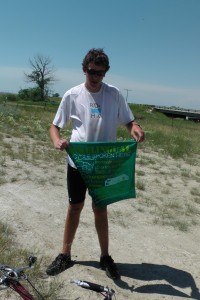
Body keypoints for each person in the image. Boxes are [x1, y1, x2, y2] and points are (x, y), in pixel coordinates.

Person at [46, 48, 144, 279]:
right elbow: (54, 126)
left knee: (100, 208)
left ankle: (105, 257)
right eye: (92, 72)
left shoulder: (114, 94)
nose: (96, 77)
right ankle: (65, 254)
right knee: (74, 207)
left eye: (101, 73)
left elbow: (129, 121)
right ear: (84, 69)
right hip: (78, 162)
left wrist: (135, 128)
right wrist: (57, 141)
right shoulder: (72, 95)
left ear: (106, 72)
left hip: (104, 164)